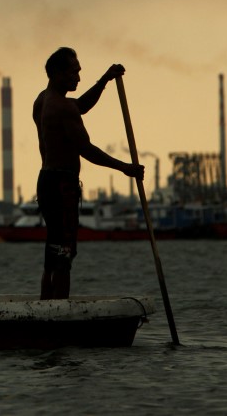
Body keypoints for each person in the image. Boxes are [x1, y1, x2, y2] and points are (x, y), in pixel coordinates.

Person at [33, 47, 144, 300]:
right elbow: (86, 150)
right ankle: (58, 311)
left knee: (53, 248)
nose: (78, 78)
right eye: (74, 73)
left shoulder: (42, 100)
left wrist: (104, 81)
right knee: (64, 251)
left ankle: (47, 304)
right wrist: (125, 168)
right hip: (63, 185)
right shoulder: (62, 108)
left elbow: (80, 105)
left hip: (46, 181)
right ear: (58, 73)